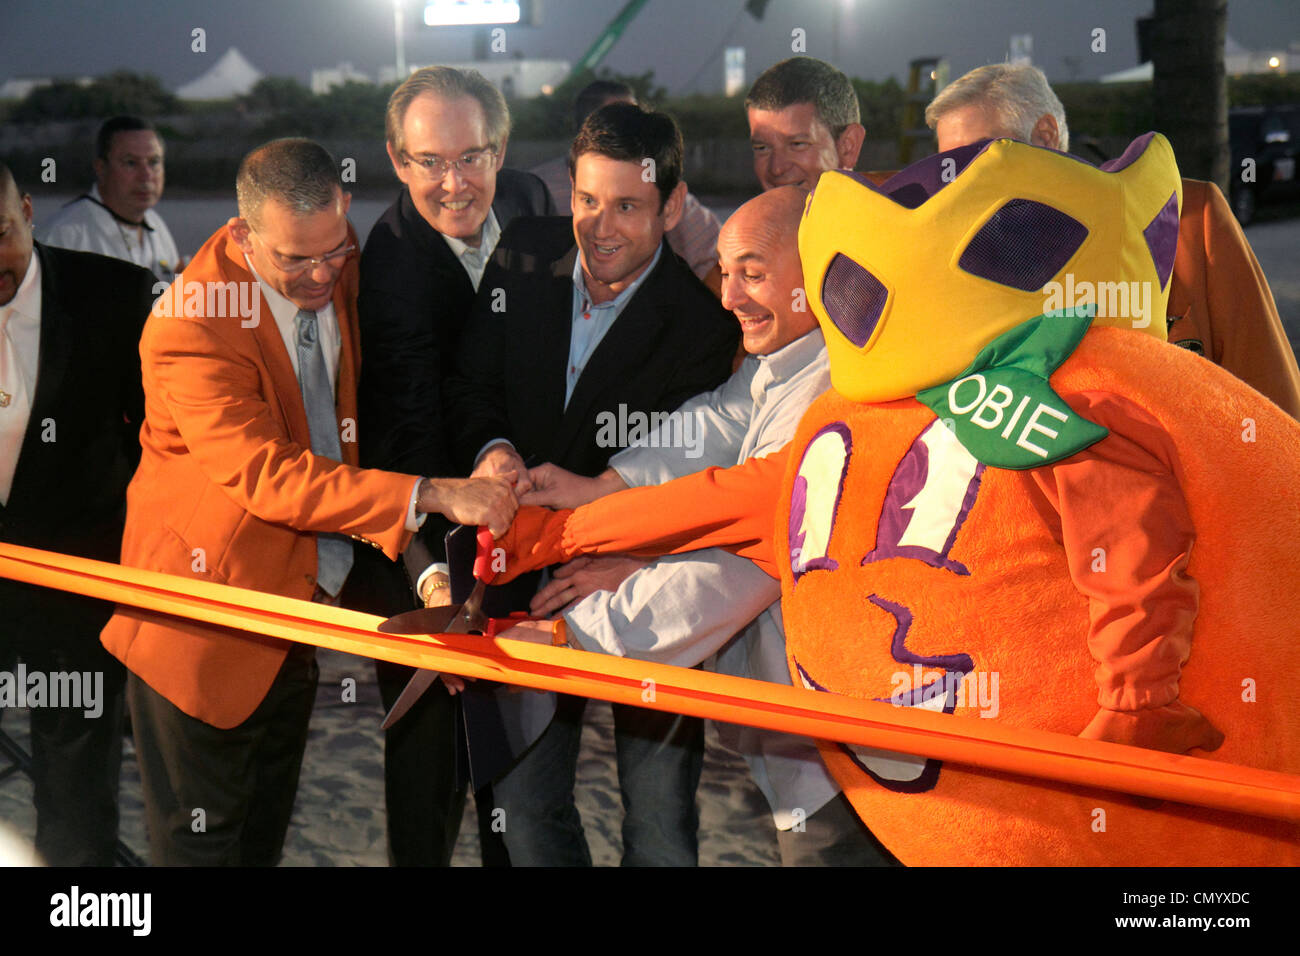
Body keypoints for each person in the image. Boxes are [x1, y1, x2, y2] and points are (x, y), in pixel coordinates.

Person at [98, 138, 517, 866]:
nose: (321, 274)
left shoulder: (346, 266)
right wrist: (432, 493)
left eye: (333, 250)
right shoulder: (191, 324)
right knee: (202, 852)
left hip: (291, 618)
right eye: (295, 260)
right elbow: (268, 475)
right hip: (199, 628)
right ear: (241, 234)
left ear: (344, 209)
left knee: (261, 841)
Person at [512, 187, 897, 865]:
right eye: (724, 273)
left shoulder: (836, 395)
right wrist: (604, 485)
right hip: (812, 741)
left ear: (825, 276)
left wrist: (573, 635)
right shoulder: (793, 361)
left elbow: (740, 566)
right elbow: (720, 420)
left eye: (752, 274)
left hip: (846, 758)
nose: (728, 297)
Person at [443, 101, 739, 865]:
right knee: (527, 813)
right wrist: (495, 451)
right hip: (516, 587)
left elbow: (701, 477)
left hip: (647, 592)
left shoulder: (707, 330)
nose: (600, 227)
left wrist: (639, 561)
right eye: (587, 200)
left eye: (628, 206)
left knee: (662, 822)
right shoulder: (525, 252)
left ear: (673, 206)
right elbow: (471, 383)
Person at [349, 64, 553, 868]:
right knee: (429, 774)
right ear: (397, 162)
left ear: (500, 149)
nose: (453, 182)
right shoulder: (392, 265)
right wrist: (432, 576)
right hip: (420, 545)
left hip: (528, 532)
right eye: (429, 161)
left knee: (522, 767)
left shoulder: (537, 205)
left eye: (470, 156)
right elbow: (402, 435)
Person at [924, 62, 1300, 418]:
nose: (962, 180)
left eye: (979, 155)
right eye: (949, 166)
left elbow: (1268, 385)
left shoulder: (1188, 216)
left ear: (1045, 136)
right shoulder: (953, 254)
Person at [0, 161, 156, 866]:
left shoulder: (114, 296)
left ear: (29, 211)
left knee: (77, 795)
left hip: (79, 589)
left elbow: (159, 440)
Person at [532, 80, 721, 284]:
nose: (603, 230)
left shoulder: (657, 185)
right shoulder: (535, 189)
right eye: (588, 201)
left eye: (625, 207)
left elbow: (712, 255)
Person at [38, 116, 184, 283]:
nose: (146, 176)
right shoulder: (61, 237)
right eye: (131, 163)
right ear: (101, 168)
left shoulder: (156, 226)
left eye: (154, 162)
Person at [746, 57, 867, 192]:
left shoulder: (886, 212)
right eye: (762, 148)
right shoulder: (750, 212)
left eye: (797, 144)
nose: (777, 168)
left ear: (848, 147)